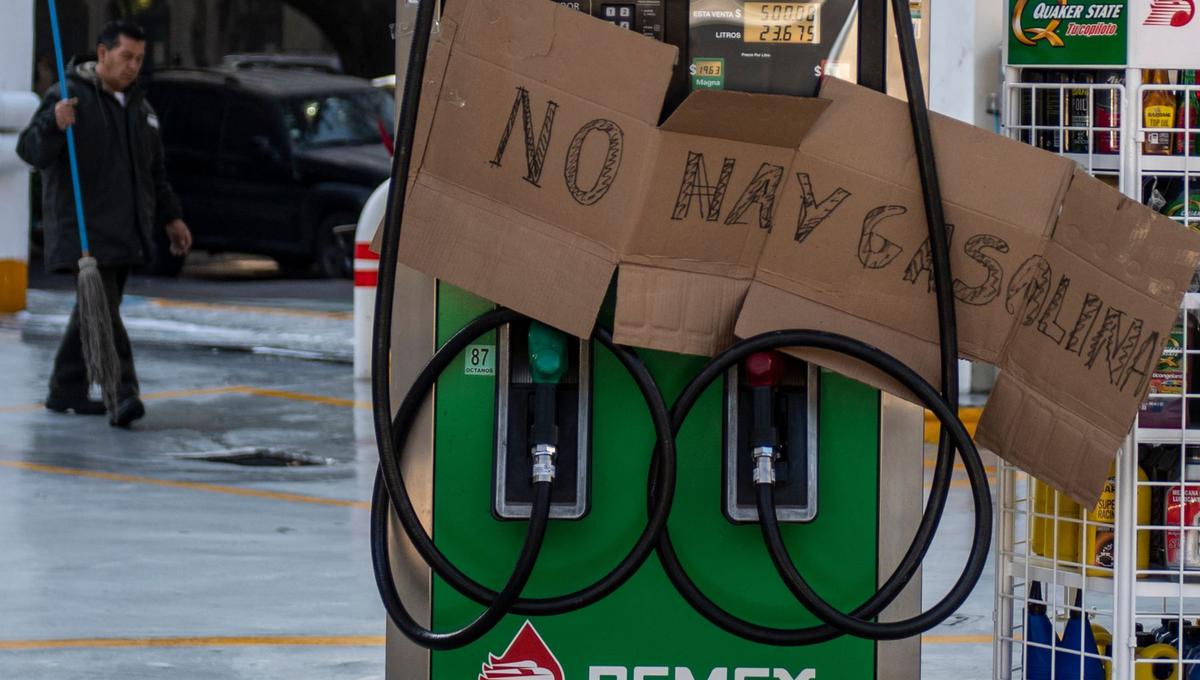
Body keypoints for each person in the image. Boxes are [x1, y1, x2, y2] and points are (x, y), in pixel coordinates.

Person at [17, 21, 192, 427]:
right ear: (102, 53)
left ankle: (65, 389)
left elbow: (155, 173)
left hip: (127, 231)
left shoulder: (140, 109)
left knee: (92, 312)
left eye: (139, 59)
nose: (133, 66)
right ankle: (122, 393)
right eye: (126, 56)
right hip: (86, 234)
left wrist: (172, 218)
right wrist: (53, 124)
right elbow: (31, 150)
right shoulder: (68, 96)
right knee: (103, 314)